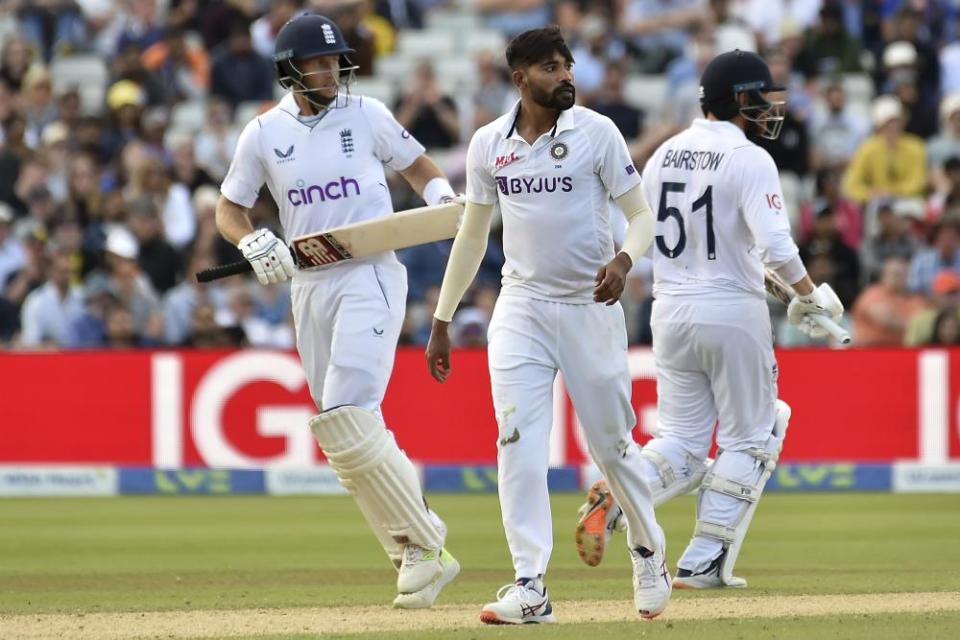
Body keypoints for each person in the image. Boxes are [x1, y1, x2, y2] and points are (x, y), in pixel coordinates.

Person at [426, 26, 671, 624]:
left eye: (567, 65)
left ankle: (647, 551)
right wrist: (441, 318)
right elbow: (473, 233)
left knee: (612, 449)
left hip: (590, 305)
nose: (566, 76)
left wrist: (623, 259)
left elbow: (640, 218)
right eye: (551, 68)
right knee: (516, 445)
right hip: (522, 306)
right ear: (520, 79)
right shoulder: (489, 144)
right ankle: (530, 585)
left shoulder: (598, 133)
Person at [214, 13, 459, 609]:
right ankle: (414, 544)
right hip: (308, 284)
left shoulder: (367, 113)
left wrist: (444, 199)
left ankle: (426, 546)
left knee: (352, 408)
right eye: (317, 63)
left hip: (370, 271)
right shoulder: (263, 133)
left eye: (334, 61)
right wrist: (250, 241)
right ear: (290, 71)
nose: (329, 71)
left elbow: (420, 169)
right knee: (337, 429)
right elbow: (229, 209)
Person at [574, 50, 844, 589]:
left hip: (670, 311)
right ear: (741, 98)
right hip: (732, 310)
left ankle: (621, 492)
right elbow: (775, 243)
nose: (770, 108)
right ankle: (702, 562)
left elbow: (641, 241)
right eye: (763, 97)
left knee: (680, 442)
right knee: (755, 435)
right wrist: (809, 294)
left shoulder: (666, 152)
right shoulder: (750, 158)